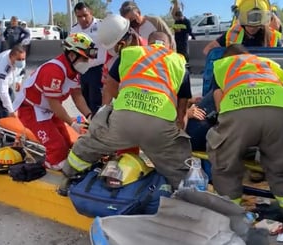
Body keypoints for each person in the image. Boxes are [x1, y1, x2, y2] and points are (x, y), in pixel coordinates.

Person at [60, 26, 192, 195]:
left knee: (88, 145)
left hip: (123, 122)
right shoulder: (178, 61)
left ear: (149, 42)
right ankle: (185, 197)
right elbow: (182, 109)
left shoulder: (130, 53)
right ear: (169, 45)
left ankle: (67, 177)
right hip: (158, 125)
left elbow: (109, 87)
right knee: (177, 165)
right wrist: (177, 132)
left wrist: (108, 113)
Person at [206, 44, 283, 226]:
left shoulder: (223, 65)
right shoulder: (266, 64)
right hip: (279, 112)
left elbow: (219, 101)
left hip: (239, 114)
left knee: (226, 167)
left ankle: (230, 221)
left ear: (227, 56)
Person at [12, 33, 95, 171]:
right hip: (30, 109)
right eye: (85, 59)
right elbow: (54, 103)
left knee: (68, 143)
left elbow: (77, 95)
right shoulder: (54, 71)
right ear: (72, 55)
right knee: (57, 148)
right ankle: (50, 166)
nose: (87, 63)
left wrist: (89, 115)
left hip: (48, 109)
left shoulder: (74, 71)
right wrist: (72, 123)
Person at [203, 0, 283, 55]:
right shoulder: (232, 35)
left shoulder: (272, 36)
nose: (252, 28)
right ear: (241, 18)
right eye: (249, 24)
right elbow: (207, 50)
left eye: (256, 25)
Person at [71, 2, 107, 115]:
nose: (82, 19)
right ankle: (90, 125)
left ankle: (99, 128)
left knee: (97, 102)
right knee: (85, 100)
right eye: (79, 16)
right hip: (82, 70)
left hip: (98, 70)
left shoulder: (102, 25)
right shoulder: (74, 29)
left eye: (85, 15)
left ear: (91, 13)